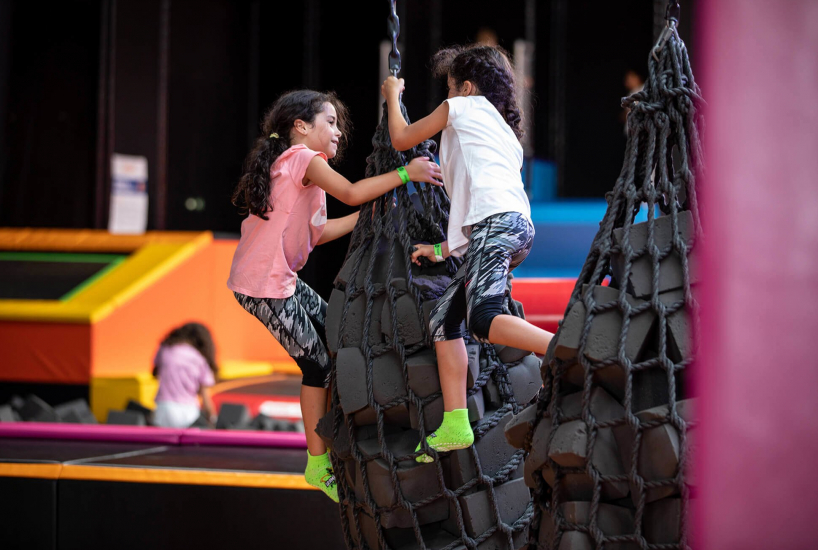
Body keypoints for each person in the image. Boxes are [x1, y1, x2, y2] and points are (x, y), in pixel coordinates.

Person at [227, 90, 443, 502]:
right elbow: (350, 192)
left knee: (339, 335)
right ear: (300, 127)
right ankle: (315, 460)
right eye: (330, 122)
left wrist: (371, 216)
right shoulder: (302, 160)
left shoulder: (302, 170)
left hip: (280, 280)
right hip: (262, 286)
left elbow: (320, 233)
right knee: (317, 365)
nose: (339, 132)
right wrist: (405, 174)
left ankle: (339, 426)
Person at [381, 44, 555, 463]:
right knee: (445, 319)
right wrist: (442, 248)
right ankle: (457, 422)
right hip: (507, 228)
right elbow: (479, 198)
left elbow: (402, 138)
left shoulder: (462, 107)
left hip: (498, 226)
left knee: (483, 317)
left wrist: (391, 94)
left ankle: (563, 348)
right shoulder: (501, 133)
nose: (448, 94)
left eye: (450, 87)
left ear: (467, 86)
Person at [152, 322, 218, 429]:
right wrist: (213, 419)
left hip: (163, 409)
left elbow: (155, 373)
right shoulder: (199, 358)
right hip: (188, 412)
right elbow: (205, 398)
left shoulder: (165, 349)